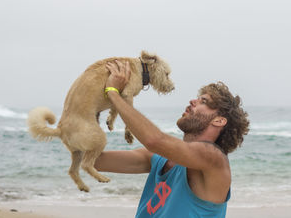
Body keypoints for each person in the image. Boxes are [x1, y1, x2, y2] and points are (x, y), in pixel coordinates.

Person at [95, 60, 250, 218]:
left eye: (204, 101)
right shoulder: (158, 159)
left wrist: (113, 92)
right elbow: (95, 161)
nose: (192, 101)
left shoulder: (214, 159)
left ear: (219, 121)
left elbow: (154, 140)